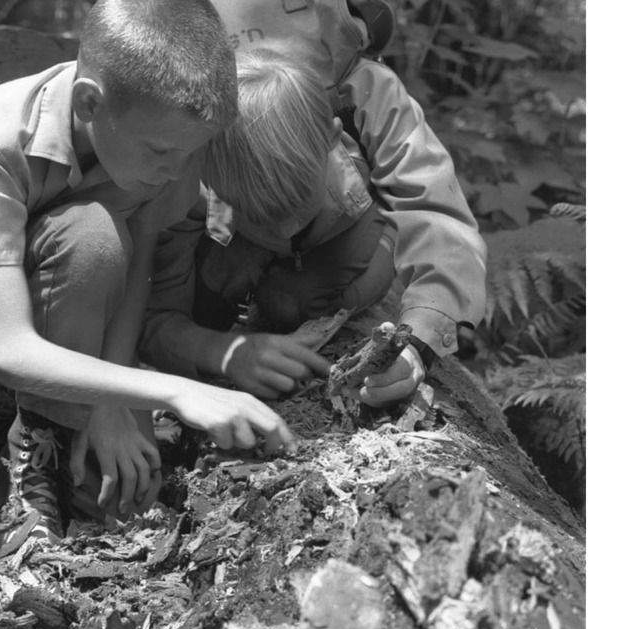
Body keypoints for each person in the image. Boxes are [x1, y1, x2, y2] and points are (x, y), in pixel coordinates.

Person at [0, 0, 297, 547]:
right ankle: (33, 460)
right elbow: (8, 348)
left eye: (189, 152)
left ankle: (79, 441)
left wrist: (114, 407)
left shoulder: (159, 150)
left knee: (128, 491)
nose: (178, 174)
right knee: (92, 233)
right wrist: (169, 393)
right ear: (90, 104)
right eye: (162, 153)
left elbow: (137, 270)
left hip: (97, 285)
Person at [139, 46, 487, 406]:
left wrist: (417, 345)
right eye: (261, 217)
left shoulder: (367, 101)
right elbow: (151, 316)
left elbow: (440, 222)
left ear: (333, 137)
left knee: (318, 291)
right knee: (208, 300)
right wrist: (222, 351)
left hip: (345, 239)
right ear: (206, 174)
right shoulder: (183, 174)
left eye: (298, 205)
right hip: (228, 247)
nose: (284, 230)